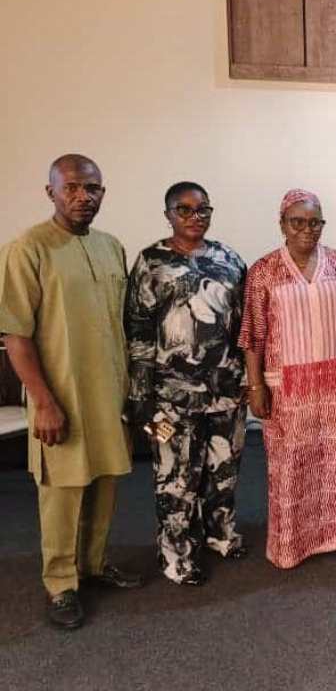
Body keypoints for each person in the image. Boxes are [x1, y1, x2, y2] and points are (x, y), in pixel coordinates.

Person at [0, 154, 142, 630]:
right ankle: (60, 584)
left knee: (104, 483)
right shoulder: (28, 249)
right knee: (61, 493)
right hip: (61, 396)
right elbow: (15, 336)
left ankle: (93, 566)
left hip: (108, 395)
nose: (83, 197)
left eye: (92, 188)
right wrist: (43, 401)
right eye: (72, 188)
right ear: (52, 192)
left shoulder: (111, 247)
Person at [239, 189, 336, 567]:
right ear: (282, 224)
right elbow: (253, 335)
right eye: (297, 222)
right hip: (287, 389)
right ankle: (293, 543)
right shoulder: (264, 271)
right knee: (292, 464)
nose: (306, 229)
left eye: (314, 222)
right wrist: (255, 387)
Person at [125, 182, 248, 586]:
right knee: (175, 479)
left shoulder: (230, 259)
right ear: (168, 215)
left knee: (223, 471)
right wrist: (140, 395)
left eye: (203, 209)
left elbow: (246, 328)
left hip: (225, 392)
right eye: (184, 210)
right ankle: (176, 554)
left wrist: (248, 379)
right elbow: (139, 331)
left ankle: (220, 534)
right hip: (169, 398)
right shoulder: (151, 262)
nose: (195, 217)